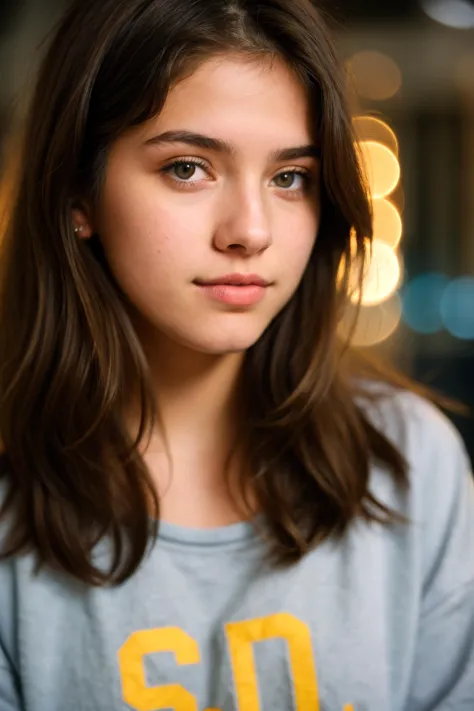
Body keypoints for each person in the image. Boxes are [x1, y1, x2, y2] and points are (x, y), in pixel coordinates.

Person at [0, 0, 472, 709]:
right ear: (79, 193)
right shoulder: (13, 511)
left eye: (290, 178)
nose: (250, 231)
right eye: (189, 168)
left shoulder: (409, 466)